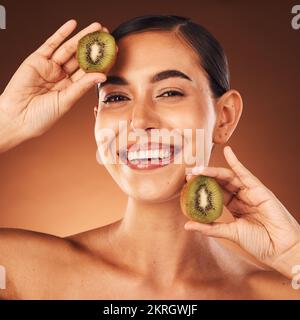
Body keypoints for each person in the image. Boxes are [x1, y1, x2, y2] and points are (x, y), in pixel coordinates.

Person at [0, 15, 299, 300]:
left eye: (169, 93)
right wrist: (5, 122)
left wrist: (294, 253)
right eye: (116, 98)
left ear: (224, 117)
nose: (139, 120)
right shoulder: (22, 273)